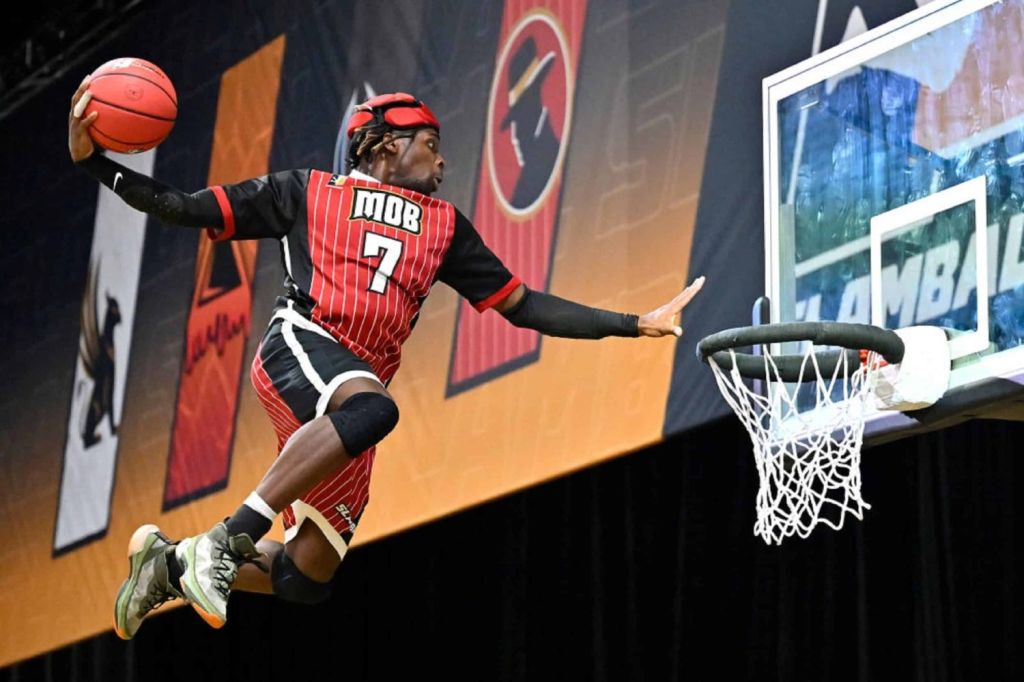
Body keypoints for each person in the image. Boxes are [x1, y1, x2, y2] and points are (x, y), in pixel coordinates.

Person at [68, 80, 705, 639]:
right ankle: (223, 541)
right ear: (381, 148)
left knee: (306, 575)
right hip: (304, 344)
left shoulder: (446, 227)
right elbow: (181, 205)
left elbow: (525, 306)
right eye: (429, 140)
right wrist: (96, 162)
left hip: (352, 398)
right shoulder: (306, 191)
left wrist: (633, 323)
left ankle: (169, 563)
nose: (442, 155)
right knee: (376, 408)